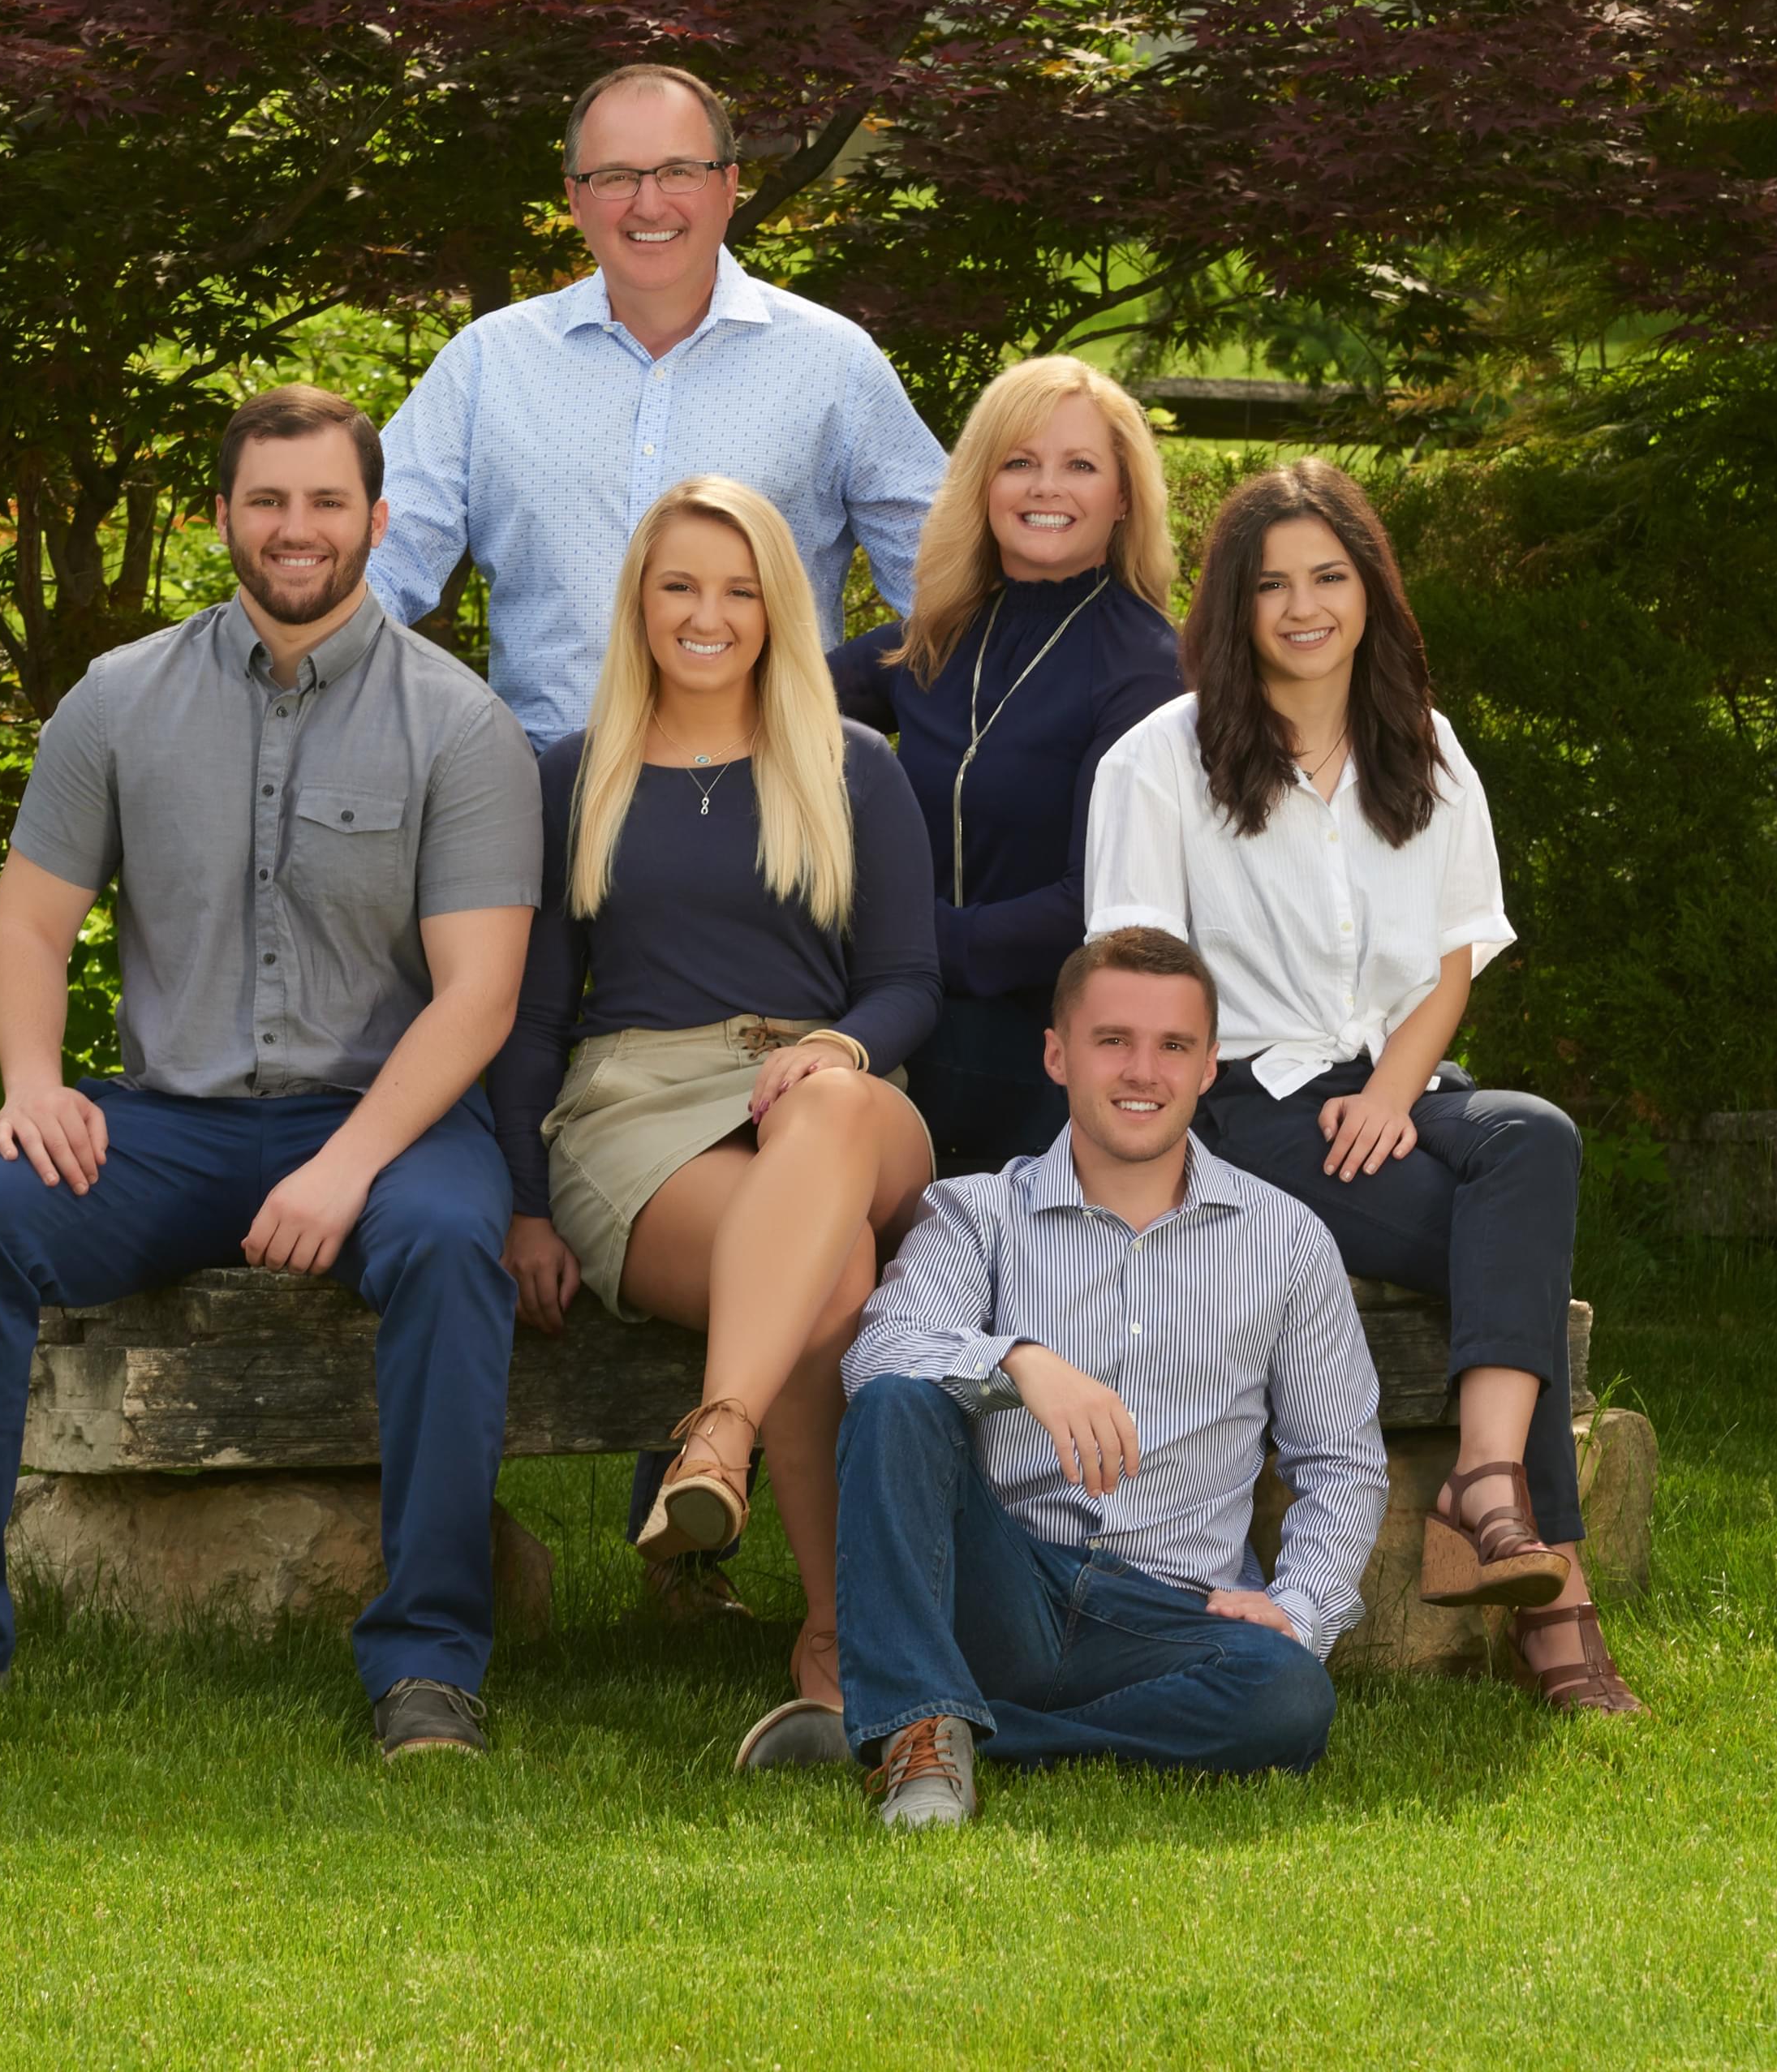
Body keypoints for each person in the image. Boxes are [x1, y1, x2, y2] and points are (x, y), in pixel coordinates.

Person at [0, 384, 544, 1760]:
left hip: (383, 1121)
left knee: (456, 1248)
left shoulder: (461, 725)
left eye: (326, 500)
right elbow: (27, 925)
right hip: (167, 1123)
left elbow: (480, 994)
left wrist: (346, 1166)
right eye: (267, 499)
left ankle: (428, 1665)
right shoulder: (119, 699)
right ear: (221, 515)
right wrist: (33, 1081)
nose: (296, 527)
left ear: (378, 519)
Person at [1085, 458, 1645, 1717]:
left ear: (1370, 591)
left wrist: (1394, 1091)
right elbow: (1137, 981)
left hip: (1396, 1084)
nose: (1303, 607)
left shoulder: (1425, 747)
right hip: (1244, 1105)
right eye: (1272, 584)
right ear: (1233, 606)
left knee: (1534, 1137)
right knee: (1509, 1256)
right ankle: (1553, 1592)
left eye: (1329, 577)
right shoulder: (1160, 762)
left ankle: (1484, 1480)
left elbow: (1453, 958)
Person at [488, 477, 941, 1767]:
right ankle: (836, 1648)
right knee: (828, 1270)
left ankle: (720, 1433)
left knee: (829, 1115)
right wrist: (525, 1200)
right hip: (638, 1104)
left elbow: (910, 982)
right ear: (639, 601)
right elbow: (533, 1017)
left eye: (741, 590)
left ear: (778, 609)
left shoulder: (852, 767)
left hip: (837, 1091)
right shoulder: (575, 776)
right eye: (681, 585)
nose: (709, 613)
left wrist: (836, 1049)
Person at [835, 928, 1388, 1830]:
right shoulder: (979, 1213)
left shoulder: (1287, 1240)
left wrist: (1298, 1608)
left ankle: (928, 1725)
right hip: (1004, 1588)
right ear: (1058, 1055)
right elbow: (877, 1355)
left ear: (1209, 1066)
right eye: (1113, 1040)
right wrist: (1017, 1363)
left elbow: (1341, 1462)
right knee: (899, 1402)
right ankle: (927, 1718)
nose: (1143, 1071)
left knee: (1288, 1695)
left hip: (1170, 1615)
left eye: (1173, 1045)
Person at [368, 62, 946, 754]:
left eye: (679, 172)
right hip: (544, 796)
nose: (649, 205)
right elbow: (377, 559)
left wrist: (853, 709)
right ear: (575, 198)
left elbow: (950, 587)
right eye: (615, 176)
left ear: (728, 186)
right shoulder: (489, 363)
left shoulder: (834, 364)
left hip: (768, 791)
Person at [830, 356, 1185, 1174]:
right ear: (983, 485)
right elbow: (775, 709)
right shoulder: (941, 633)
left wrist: (894, 939)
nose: (1045, 487)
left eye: (1080, 465)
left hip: (1038, 1048)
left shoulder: (1146, 668)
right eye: (1019, 461)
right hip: (905, 1005)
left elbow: (1090, 906)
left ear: (1123, 497)